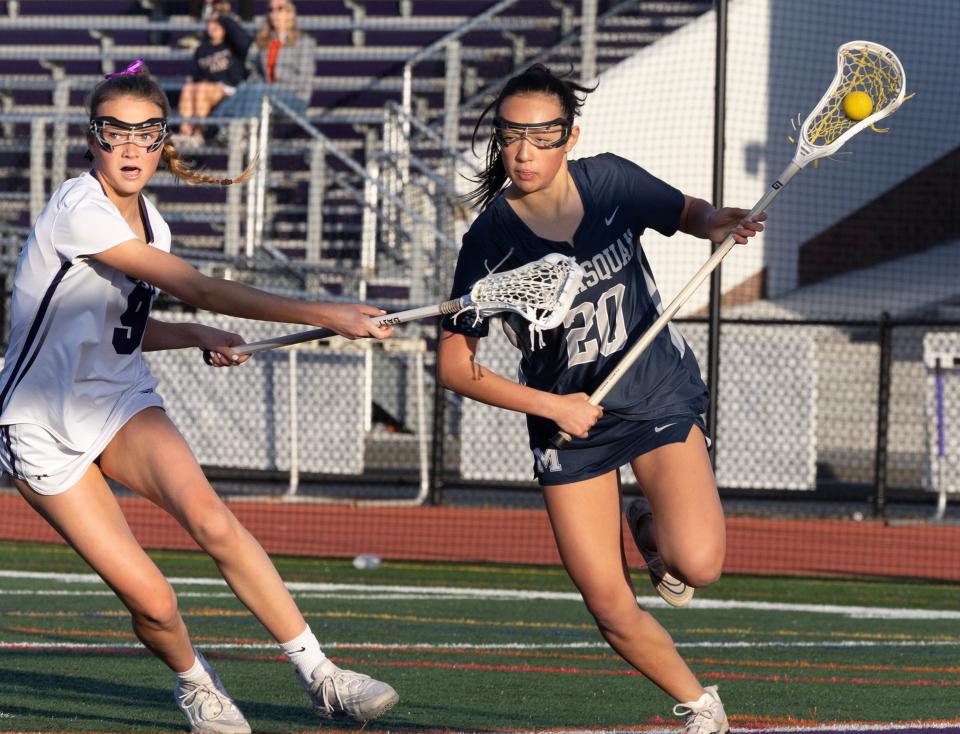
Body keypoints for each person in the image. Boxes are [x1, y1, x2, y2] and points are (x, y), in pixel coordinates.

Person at [0, 62, 398, 733]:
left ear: (164, 140)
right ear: (91, 139)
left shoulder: (152, 223)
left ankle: (322, 676)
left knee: (213, 520)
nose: (129, 147)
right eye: (114, 132)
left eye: (145, 133)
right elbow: (201, 286)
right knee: (153, 600)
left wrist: (193, 335)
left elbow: (115, 329)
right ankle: (196, 684)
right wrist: (327, 314)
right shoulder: (79, 211)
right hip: (40, 424)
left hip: (119, 399)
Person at [437, 64, 765, 734]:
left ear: (569, 136)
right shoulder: (491, 241)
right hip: (569, 424)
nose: (525, 151)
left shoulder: (611, 182)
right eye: (511, 136)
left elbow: (685, 212)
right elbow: (455, 366)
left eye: (542, 135)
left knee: (698, 563)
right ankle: (703, 709)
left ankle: (646, 524)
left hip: (652, 391)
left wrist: (717, 222)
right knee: (608, 602)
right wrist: (553, 408)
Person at [213, 0, 315, 120]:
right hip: (265, 93)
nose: (274, 13)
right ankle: (216, 123)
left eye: (279, 8)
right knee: (243, 88)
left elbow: (303, 79)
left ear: (290, 13)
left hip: (294, 97)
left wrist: (275, 87)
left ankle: (237, 128)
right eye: (271, 10)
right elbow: (256, 73)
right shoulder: (265, 41)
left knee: (259, 90)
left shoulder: (304, 42)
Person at [177, 5, 252, 146]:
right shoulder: (202, 49)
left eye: (217, 22)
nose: (213, 26)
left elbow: (245, 40)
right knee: (189, 87)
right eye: (211, 22)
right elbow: (197, 76)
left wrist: (223, 18)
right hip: (208, 90)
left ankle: (199, 133)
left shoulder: (233, 44)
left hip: (233, 89)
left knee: (202, 88)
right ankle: (185, 132)